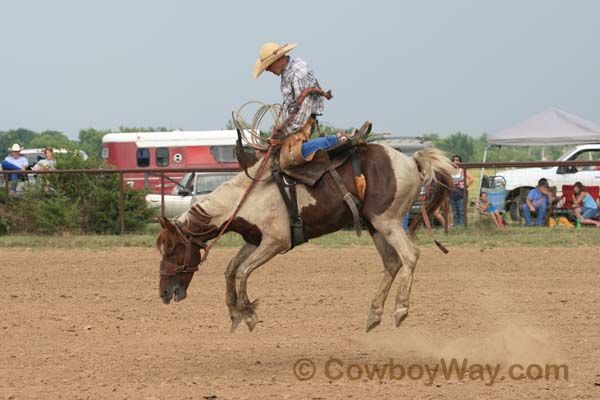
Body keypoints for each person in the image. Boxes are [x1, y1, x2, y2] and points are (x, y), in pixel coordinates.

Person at [253, 42, 345, 169]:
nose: (268, 70)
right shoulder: (289, 70)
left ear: (279, 59)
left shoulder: (297, 74)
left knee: (290, 157)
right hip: (297, 120)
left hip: (304, 121)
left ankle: (334, 140)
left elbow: (302, 114)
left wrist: (281, 135)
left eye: (268, 66)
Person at [449, 155, 473, 226]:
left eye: (457, 160)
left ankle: (462, 226)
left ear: (460, 161)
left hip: (461, 192)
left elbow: (471, 179)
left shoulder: (463, 170)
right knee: (454, 211)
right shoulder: (450, 171)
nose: (455, 162)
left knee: (461, 210)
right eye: (453, 160)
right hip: (452, 192)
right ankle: (456, 226)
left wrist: (465, 186)